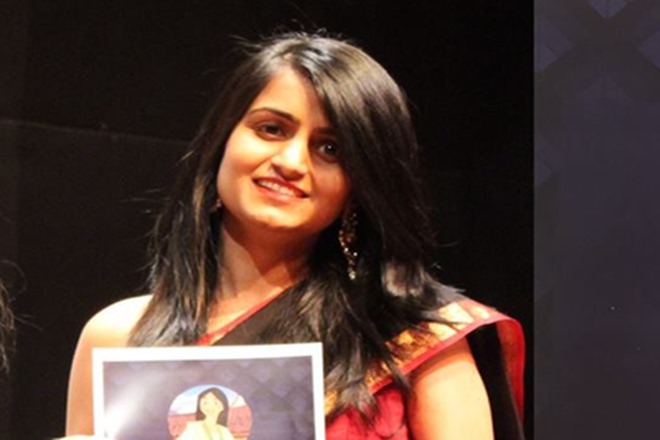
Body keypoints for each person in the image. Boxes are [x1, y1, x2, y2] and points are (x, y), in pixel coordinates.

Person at [65, 31, 525, 439]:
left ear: (358, 187)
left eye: (330, 148)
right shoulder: (119, 337)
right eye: (271, 129)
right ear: (221, 143)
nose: (290, 162)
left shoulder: (416, 341)